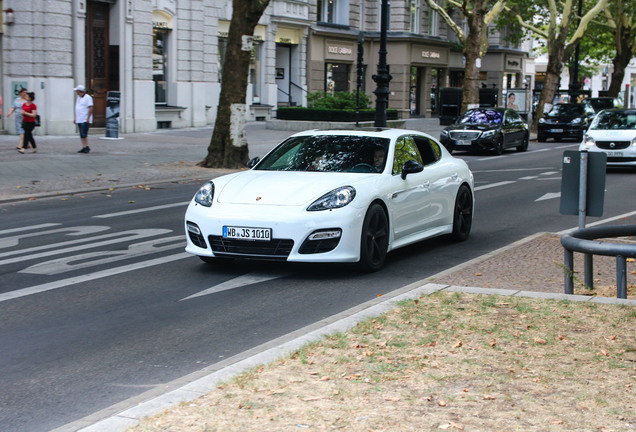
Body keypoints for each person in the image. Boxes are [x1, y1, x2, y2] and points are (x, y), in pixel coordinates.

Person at [74, 84, 94, 153]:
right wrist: (76, 118)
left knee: (84, 133)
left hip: (85, 119)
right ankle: (84, 146)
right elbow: (77, 109)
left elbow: (90, 107)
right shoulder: (79, 98)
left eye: (77, 91)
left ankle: (87, 146)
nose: (76, 92)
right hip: (79, 118)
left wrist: (88, 118)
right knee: (81, 134)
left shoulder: (88, 98)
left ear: (80, 91)